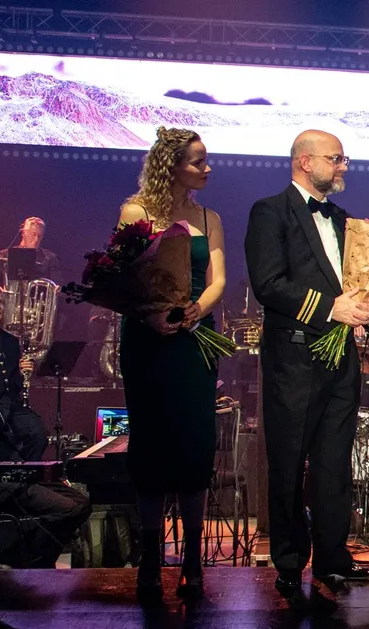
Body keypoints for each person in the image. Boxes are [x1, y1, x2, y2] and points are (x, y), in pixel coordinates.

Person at [245, 129, 369, 596]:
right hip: (295, 356)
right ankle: (288, 561)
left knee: (334, 462)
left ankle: (332, 558)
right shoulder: (270, 211)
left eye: (344, 160)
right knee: (288, 461)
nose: (343, 167)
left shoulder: (343, 219)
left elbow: (359, 284)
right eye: (335, 159)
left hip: (341, 356)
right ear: (305, 162)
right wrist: (331, 308)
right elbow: (268, 284)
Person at [116, 127, 226, 602]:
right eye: (198, 161)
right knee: (152, 444)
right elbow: (123, 277)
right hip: (148, 338)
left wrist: (195, 310)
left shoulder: (208, 216)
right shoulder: (136, 212)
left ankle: (193, 560)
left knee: (194, 445)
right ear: (172, 166)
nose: (207, 169)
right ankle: (149, 558)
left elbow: (218, 279)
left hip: (194, 337)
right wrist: (152, 314)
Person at [0, 285, 48, 462]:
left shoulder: (10, 340)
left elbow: (14, 384)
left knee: (38, 434)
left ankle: (23, 473)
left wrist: (22, 373)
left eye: (0, 302)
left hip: (10, 404)